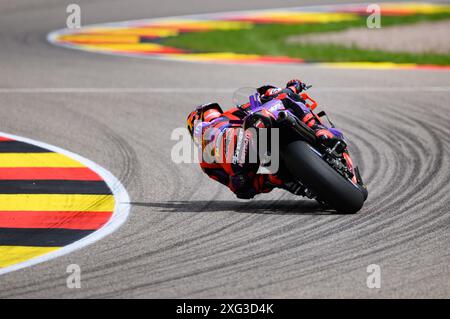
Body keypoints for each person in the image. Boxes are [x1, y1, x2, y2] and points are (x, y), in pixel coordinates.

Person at [186, 79, 344, 199]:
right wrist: (293, 86)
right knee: (286, 97)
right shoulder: (209, 152)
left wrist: (239, 182)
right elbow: (237, 185)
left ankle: (286, 180)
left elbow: (235, 187)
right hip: (256, 151)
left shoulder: (205, 161)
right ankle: (320, 133)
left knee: (285, 98)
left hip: (262, 143)